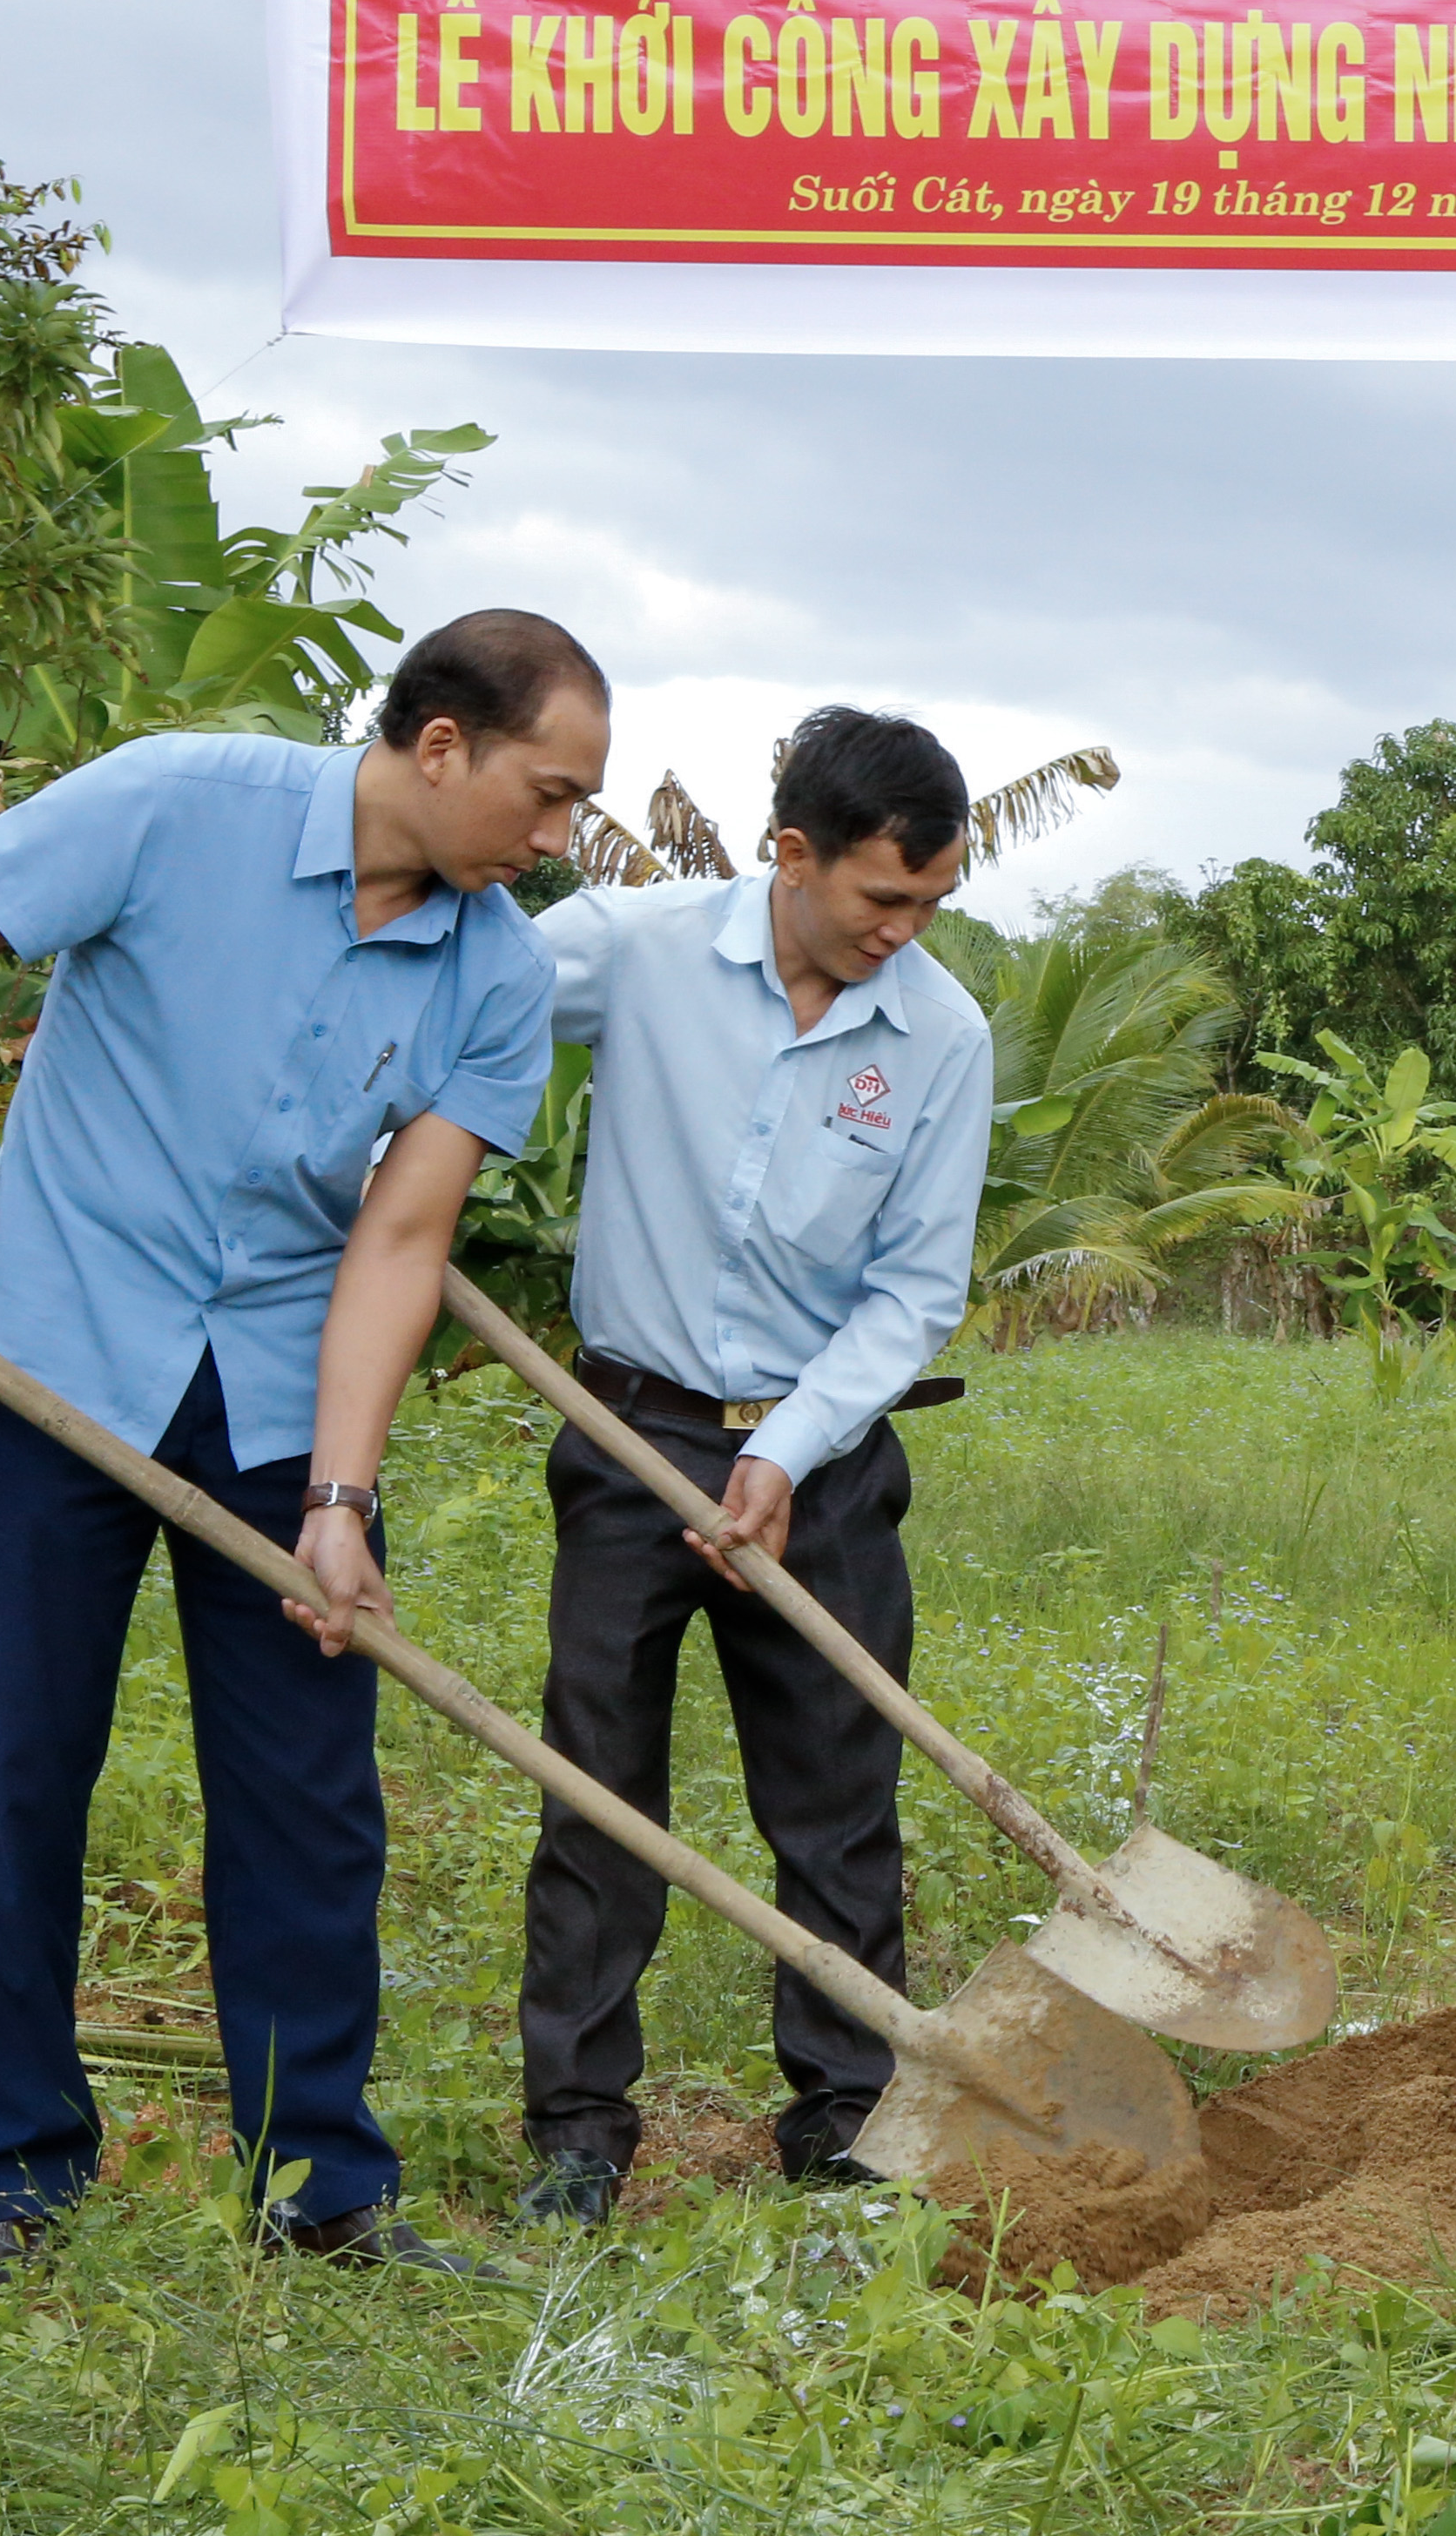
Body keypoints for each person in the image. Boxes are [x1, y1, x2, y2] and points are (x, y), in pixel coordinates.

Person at [0, 610, 607, 2285]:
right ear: (439, 743)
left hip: (271, 1403)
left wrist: (339, 1494)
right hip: (50, 1368)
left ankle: (319, 2191)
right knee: (26, 1770)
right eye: (545, 795)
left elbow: (398, 1245)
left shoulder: (501, 970)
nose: (557, 840)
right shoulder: (177, 806)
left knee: (312, 1800)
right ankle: (8, 2174)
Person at [513, 706, 992, 2222]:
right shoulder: (634, 948)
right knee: (598, 1793)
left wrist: (786, 1449)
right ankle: (579, 2132)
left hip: (825, 1457)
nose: (903, 934)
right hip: (625, 1434)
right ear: (790, 854)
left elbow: (914, 1292)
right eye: (880, 899)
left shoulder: (941, 1036)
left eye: (930, 904)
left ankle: (846, 2113)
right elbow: (463, 995)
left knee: (838, 1797)